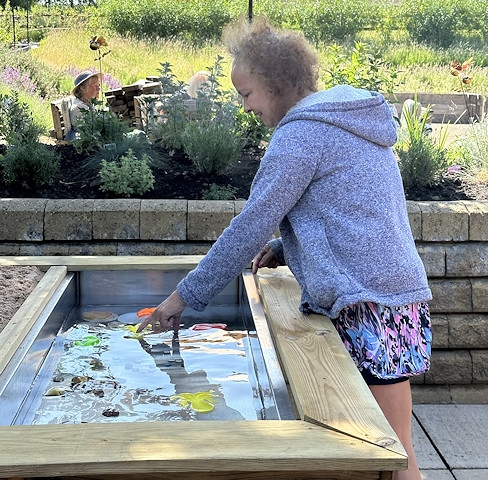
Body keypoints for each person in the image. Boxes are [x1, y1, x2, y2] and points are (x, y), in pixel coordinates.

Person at [138, 16, 431, 480]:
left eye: (246, 94)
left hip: (367, 306)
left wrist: (182, 297)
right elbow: (348, 208)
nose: (243, 106)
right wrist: (285, 245)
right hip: (394, 301)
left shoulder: (299, 135)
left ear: (276, 85)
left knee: (392, 460)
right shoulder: (346, 116)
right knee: (389, 451)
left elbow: (248, 226)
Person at [65, 70, 103, 141]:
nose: (99, 89)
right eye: (95, 86)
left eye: (99, 85)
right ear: (83, 88)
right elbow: (88, 132)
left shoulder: (88, 104)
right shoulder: (79, 108)